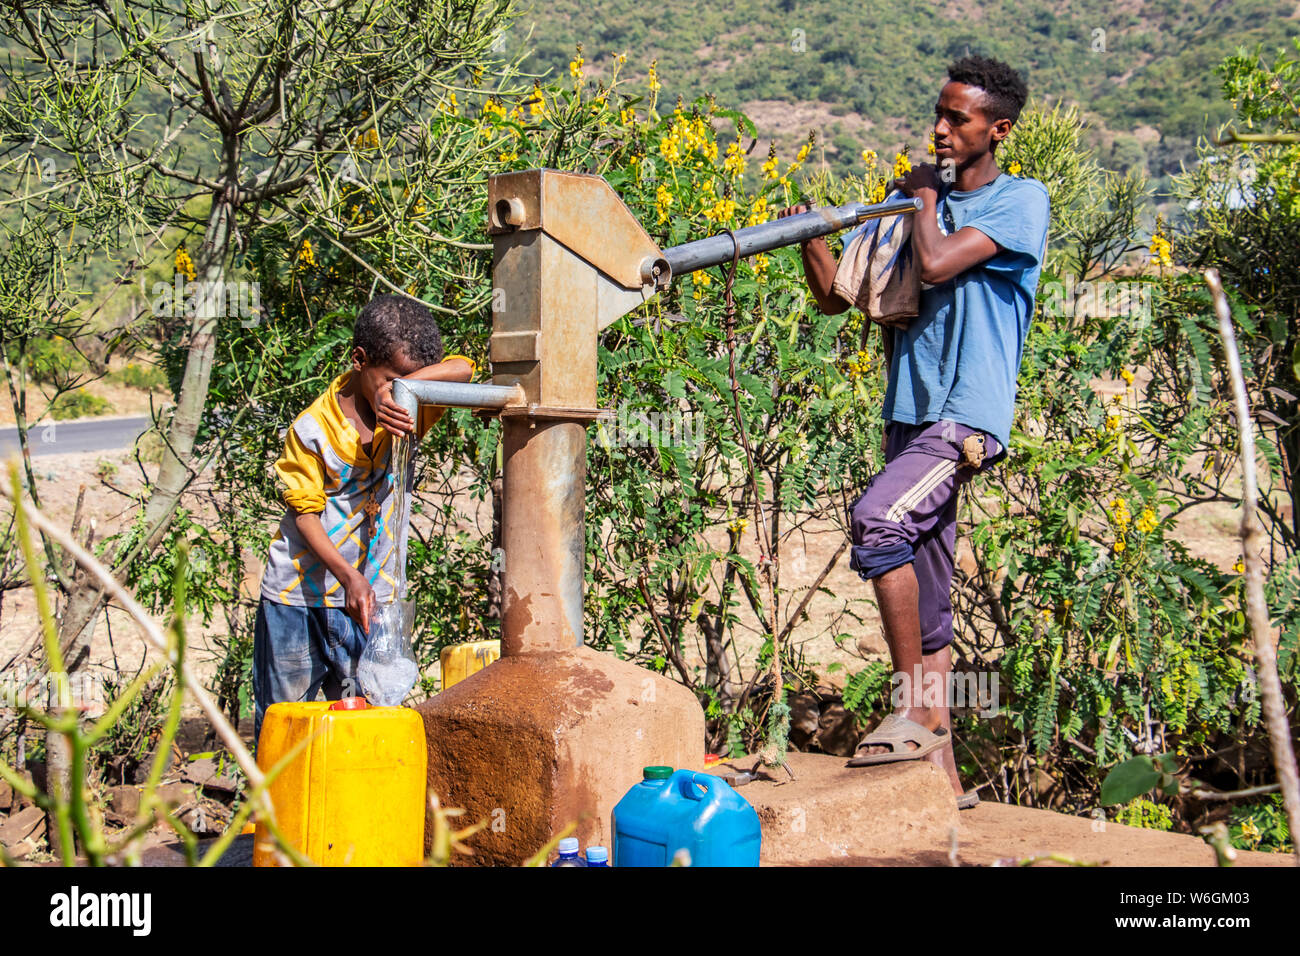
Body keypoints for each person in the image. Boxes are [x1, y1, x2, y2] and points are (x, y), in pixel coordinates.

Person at [780, 55, 1050, 807]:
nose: (940, 128)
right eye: (938, 113)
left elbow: (935, 264)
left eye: (957, 119)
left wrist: (921, 198)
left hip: (964, 417)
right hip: (910, 416)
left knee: (878, 522)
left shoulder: (1019, 201)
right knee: (929, 597)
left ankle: (913, 710)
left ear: (996, 130)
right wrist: (814, 236)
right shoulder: (913, 207)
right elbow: (842, 299)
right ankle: (945, 785)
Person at [252, 294, 475, 746]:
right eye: (393, 380)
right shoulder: (312, 430)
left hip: (369, 600)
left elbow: (464, 369)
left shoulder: (409, 408)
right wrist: (348, 576)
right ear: (359, 360)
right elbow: (306, 515)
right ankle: (279, 815)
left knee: (360, 724)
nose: (403, 393)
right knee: (286, 728)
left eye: (413, 384)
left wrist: (402, 388)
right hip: (300, 598)